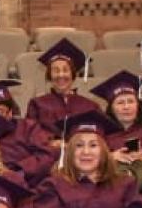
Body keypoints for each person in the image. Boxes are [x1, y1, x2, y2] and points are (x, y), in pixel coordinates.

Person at [20, 40, 99, 169]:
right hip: (49, 159)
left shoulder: (90, 106)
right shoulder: (37, 104)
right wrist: (51, 141)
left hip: (85, 159)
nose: (61, 75)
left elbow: (99, 136)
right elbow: (30, 133)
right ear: (49, 75)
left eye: (65, 70)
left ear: (73, 74)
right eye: (55, 70)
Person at [90, 70, 142, 193]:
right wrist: (109, 159)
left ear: (138, 105)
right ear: (111, 108)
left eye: (131, 101)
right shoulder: (101, 137)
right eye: (120, 102)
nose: (126, 107)